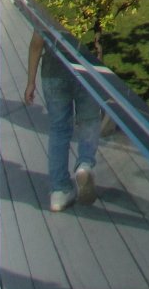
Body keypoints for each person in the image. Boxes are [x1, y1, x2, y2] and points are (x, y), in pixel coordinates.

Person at [24, 34, 100, 212]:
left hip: (53, 72)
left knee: (59, 130)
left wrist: (30, 82)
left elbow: (36, 43)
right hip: (86, 70)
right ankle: (85, 164)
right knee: (89, 120)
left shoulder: (51, 6)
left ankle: (59, 190)